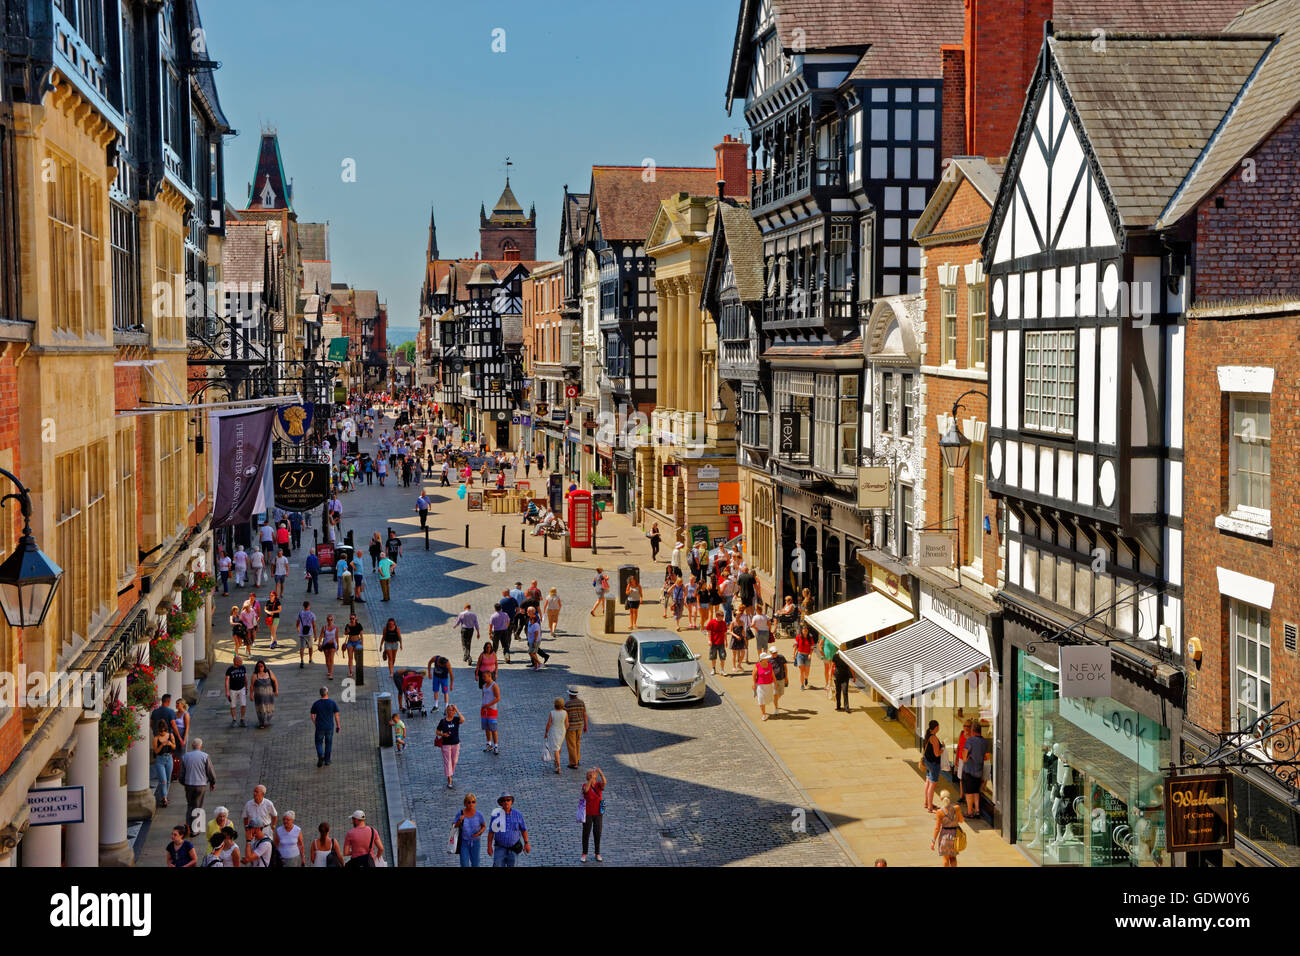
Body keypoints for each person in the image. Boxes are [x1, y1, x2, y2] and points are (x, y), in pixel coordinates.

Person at [181, 738, 217, 832]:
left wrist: (183, 783)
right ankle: (196, 828)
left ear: (192, 746)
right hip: (201, 784)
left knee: (190, 805)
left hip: (189, 784)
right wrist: (212, 782)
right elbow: (210, 771)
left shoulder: (185, 756)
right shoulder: (205, 756)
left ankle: (188, 826)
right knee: (198, 806)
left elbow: (181, 773)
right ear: (201, 746)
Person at [487, 793, 529, 867]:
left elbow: (523, 830)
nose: (506, 802)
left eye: (508, 800)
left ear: (511, 802)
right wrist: (489, 846)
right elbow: (491, 832)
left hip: (514, 849)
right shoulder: (496, 815)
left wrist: (526, 843)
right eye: (503, 800)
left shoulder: (518, 814)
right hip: (500, 848)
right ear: (501, 803)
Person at [959, 720, 989, 817]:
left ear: (973, 730)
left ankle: (969, 812)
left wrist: (965, 758)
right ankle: (977, 810)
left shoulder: (970, 740)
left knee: (969, 792)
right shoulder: (984, 741)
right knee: (976, 791)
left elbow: (964, 755)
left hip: (969, 770)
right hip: (979, 770)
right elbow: (986, 756)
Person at [580, 767, 606, 863]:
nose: (591, 775)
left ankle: (597, 853)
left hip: (598, 813)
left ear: (596, 776)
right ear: (587, 776)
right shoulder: (584, 785)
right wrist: (590, 781)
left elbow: (605, 782)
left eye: (593, 774)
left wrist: (600, 772)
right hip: (588, 813)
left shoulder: (599, 785)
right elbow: (586, 790)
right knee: (586, 833)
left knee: (597, 833)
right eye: (589, 774)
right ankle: (584, 853)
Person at [931, 791, 965, 867]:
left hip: (944, 837)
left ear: (941, 798)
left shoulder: (939, 812)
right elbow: (961, 820)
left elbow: (937, 828)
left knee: (945, 859)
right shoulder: (957, 808)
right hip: (955, 836)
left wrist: (933, 841)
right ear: (949, 798)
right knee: (953, 858)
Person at [311, 686, 342, 768]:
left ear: (320, 694)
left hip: (319, 727)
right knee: (328, 743)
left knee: (318, 743)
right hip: (329, 727)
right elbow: (336, 716)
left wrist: (315, 723)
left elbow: (312, 715)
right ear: (327, 693)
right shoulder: (332, 703)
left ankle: (320, 756)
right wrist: (338, 726)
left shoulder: (316, 703)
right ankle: (327, 760)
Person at [435, 703, 464, 787]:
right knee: (447, 761)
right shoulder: (443, 721)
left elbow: (463, 720)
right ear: (446, 711)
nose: (451, 712)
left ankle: (450, 773)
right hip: (446, 744)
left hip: (456, 743)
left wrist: (457, 710)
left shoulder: (456, 719)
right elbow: (437, 732)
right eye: (449, 710)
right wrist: (443, 735)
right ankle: (449, 778)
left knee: (454, 761)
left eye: (452, 710)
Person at [454, 794, 486, 867]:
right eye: (469, 802)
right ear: (465, 803)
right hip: (464, 842)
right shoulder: (460, 813)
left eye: (473, 802)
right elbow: (454, 826)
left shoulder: (479, 814)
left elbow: (484, 826)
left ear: (475, 803)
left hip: (476, 843)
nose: (471, 804)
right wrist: (459, 820)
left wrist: (480, 832)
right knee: (464, 864)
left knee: (475, 864)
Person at [151, 720, 176, 808]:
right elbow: (156, 751)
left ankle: (164, 797)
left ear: (166, 729)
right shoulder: (156, 738)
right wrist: (162, 745)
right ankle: (164, 798)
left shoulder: (170, 735)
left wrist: (170, 744)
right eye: (161, 731)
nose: (163, 732)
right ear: (158, 730)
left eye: (164, 730)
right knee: (163, 780)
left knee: (168, 780)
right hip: (160, 760)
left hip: (169, 758)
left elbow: (174, 747)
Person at [922, 719, 944, 811]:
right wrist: (942, 748)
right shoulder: (934, 738)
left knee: (927, 782)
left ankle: (926, 803)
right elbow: (937, 754)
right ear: (936, 727)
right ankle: (930, 806)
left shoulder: (927, 736)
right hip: (933, 764)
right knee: (932, 784)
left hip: (927, 762)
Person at [564, 686, 588, 769]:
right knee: (577, 743)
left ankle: (573, 763)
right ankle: (577, 759)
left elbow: (565, 716)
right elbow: (584, 714)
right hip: (580, 726)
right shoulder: (581, 702)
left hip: (571, 727)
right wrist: (586, 725)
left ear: (570, 695)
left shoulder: (567, 704)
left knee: (571, 745)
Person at [250, 659, 278, 729]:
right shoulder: (255, 675)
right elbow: (252, 686)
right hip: (259, 696)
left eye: (261, 666)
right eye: (259, 666)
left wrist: (276, 690)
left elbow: (275, 681)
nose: (260, 668)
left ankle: (267, 721)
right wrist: (251, 695)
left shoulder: (269, 672)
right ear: (257, 667)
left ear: (264, 666)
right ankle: (262, 723)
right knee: (261, 709)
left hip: (269, 695)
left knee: (269, 708)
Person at [543, 697, 568, 775]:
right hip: (562, 731)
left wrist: (546, 732)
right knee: (558, 747)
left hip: (554, 731)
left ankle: (558, 766)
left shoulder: (552, 712)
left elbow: (549, 723)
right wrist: (565, 730)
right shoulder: (565, 712)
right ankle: (556, 761)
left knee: (556, 749)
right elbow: (567, 724)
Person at [480, 672, 501, 755]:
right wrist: (483, 706)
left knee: (493, 728)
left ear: (489, 676)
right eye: (483, 677)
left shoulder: (494, 685)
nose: (483, 678)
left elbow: (498, 698)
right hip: (484, 710)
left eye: (484, 677)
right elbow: (483, 697)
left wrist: (488, 705)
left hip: (492, 710)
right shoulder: (484, 686)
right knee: (486, 727)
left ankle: (496, 746)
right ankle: (489, 744)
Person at [225, 655, 249, 727]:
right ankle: (234, 719)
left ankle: (242, 719)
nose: (241, 662)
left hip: (242, 688)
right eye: (240, 661)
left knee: (243, 704)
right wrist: (227, 692)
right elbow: (226, 681)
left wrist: (246, 688)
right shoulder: (229, 670)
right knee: (233, 705)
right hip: (233, 690)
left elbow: (246, 678)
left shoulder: (243, 667)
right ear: (235, 662)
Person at [753, 652, 776, 720]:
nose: (768, 659)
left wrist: (775, 682)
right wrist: (754, 684)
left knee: (767, 699)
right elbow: (754, 675)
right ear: (762, 659)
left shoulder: (769, 665)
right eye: (766, 658)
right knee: (761, 699)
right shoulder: (757, 666)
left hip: (769, 685)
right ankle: (763, 714)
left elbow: (772, 674)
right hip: (760, 685)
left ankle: (764, 712)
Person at [705, 608, 727, 676]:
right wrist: (709, 640)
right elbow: (708, 631)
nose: (722, 617)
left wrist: (726, 641)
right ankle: (713, 669)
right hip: (713, 642)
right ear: (717, 616)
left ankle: (722, 670)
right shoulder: (711, 622)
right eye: (721, 616)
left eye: (723, 616)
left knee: (722, 657)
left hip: (721, 643)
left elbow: (725, 633)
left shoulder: (723, 623)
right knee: (713, 657)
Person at [317, 613, 340, 679]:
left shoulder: (336, 628)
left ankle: (331, 674)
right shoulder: (324, 627)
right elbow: (321, 636)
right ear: (327, 620)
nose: (330, 621)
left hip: (333, 644)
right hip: (326, 644)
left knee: (331, 659)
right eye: (328, 620)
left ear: (333, 620)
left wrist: (338, 644)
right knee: (327, 659)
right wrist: (319, 643)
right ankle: (329, 670)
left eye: (331, 619)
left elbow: (336, 637)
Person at [296, 602, 317, 669]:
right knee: (310, 647)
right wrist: (315, 635)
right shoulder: (312, 614)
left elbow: (297, 623)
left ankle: (302, 660)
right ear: (309, 606)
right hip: (309, 633)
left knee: (302, 648)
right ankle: (310, 659)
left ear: (303, 606)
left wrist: (298, 630)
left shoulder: (300, 614)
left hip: (302, 633)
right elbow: (314, 625)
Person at [769, 645, 789, 713]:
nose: (775, 654)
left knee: (781, 693)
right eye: (773, 653)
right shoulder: (768, 660)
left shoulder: (781, 657)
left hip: (782, 678)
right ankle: (776, 708)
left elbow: (785, 668)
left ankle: (775, 701)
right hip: (773, 680)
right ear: (770, 653)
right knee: (775, 694)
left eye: (776, 652)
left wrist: (786, 677)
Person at [833, 647, 852, 713]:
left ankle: (846, 707)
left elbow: (850, 666)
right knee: (838, 691)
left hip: (845, 675)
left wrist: (853, 676)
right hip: (837, 675)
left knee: (845, 691)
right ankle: (838, 706)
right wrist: (831, 676)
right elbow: (832, 666)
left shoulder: (847, 656)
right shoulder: (835, 656)